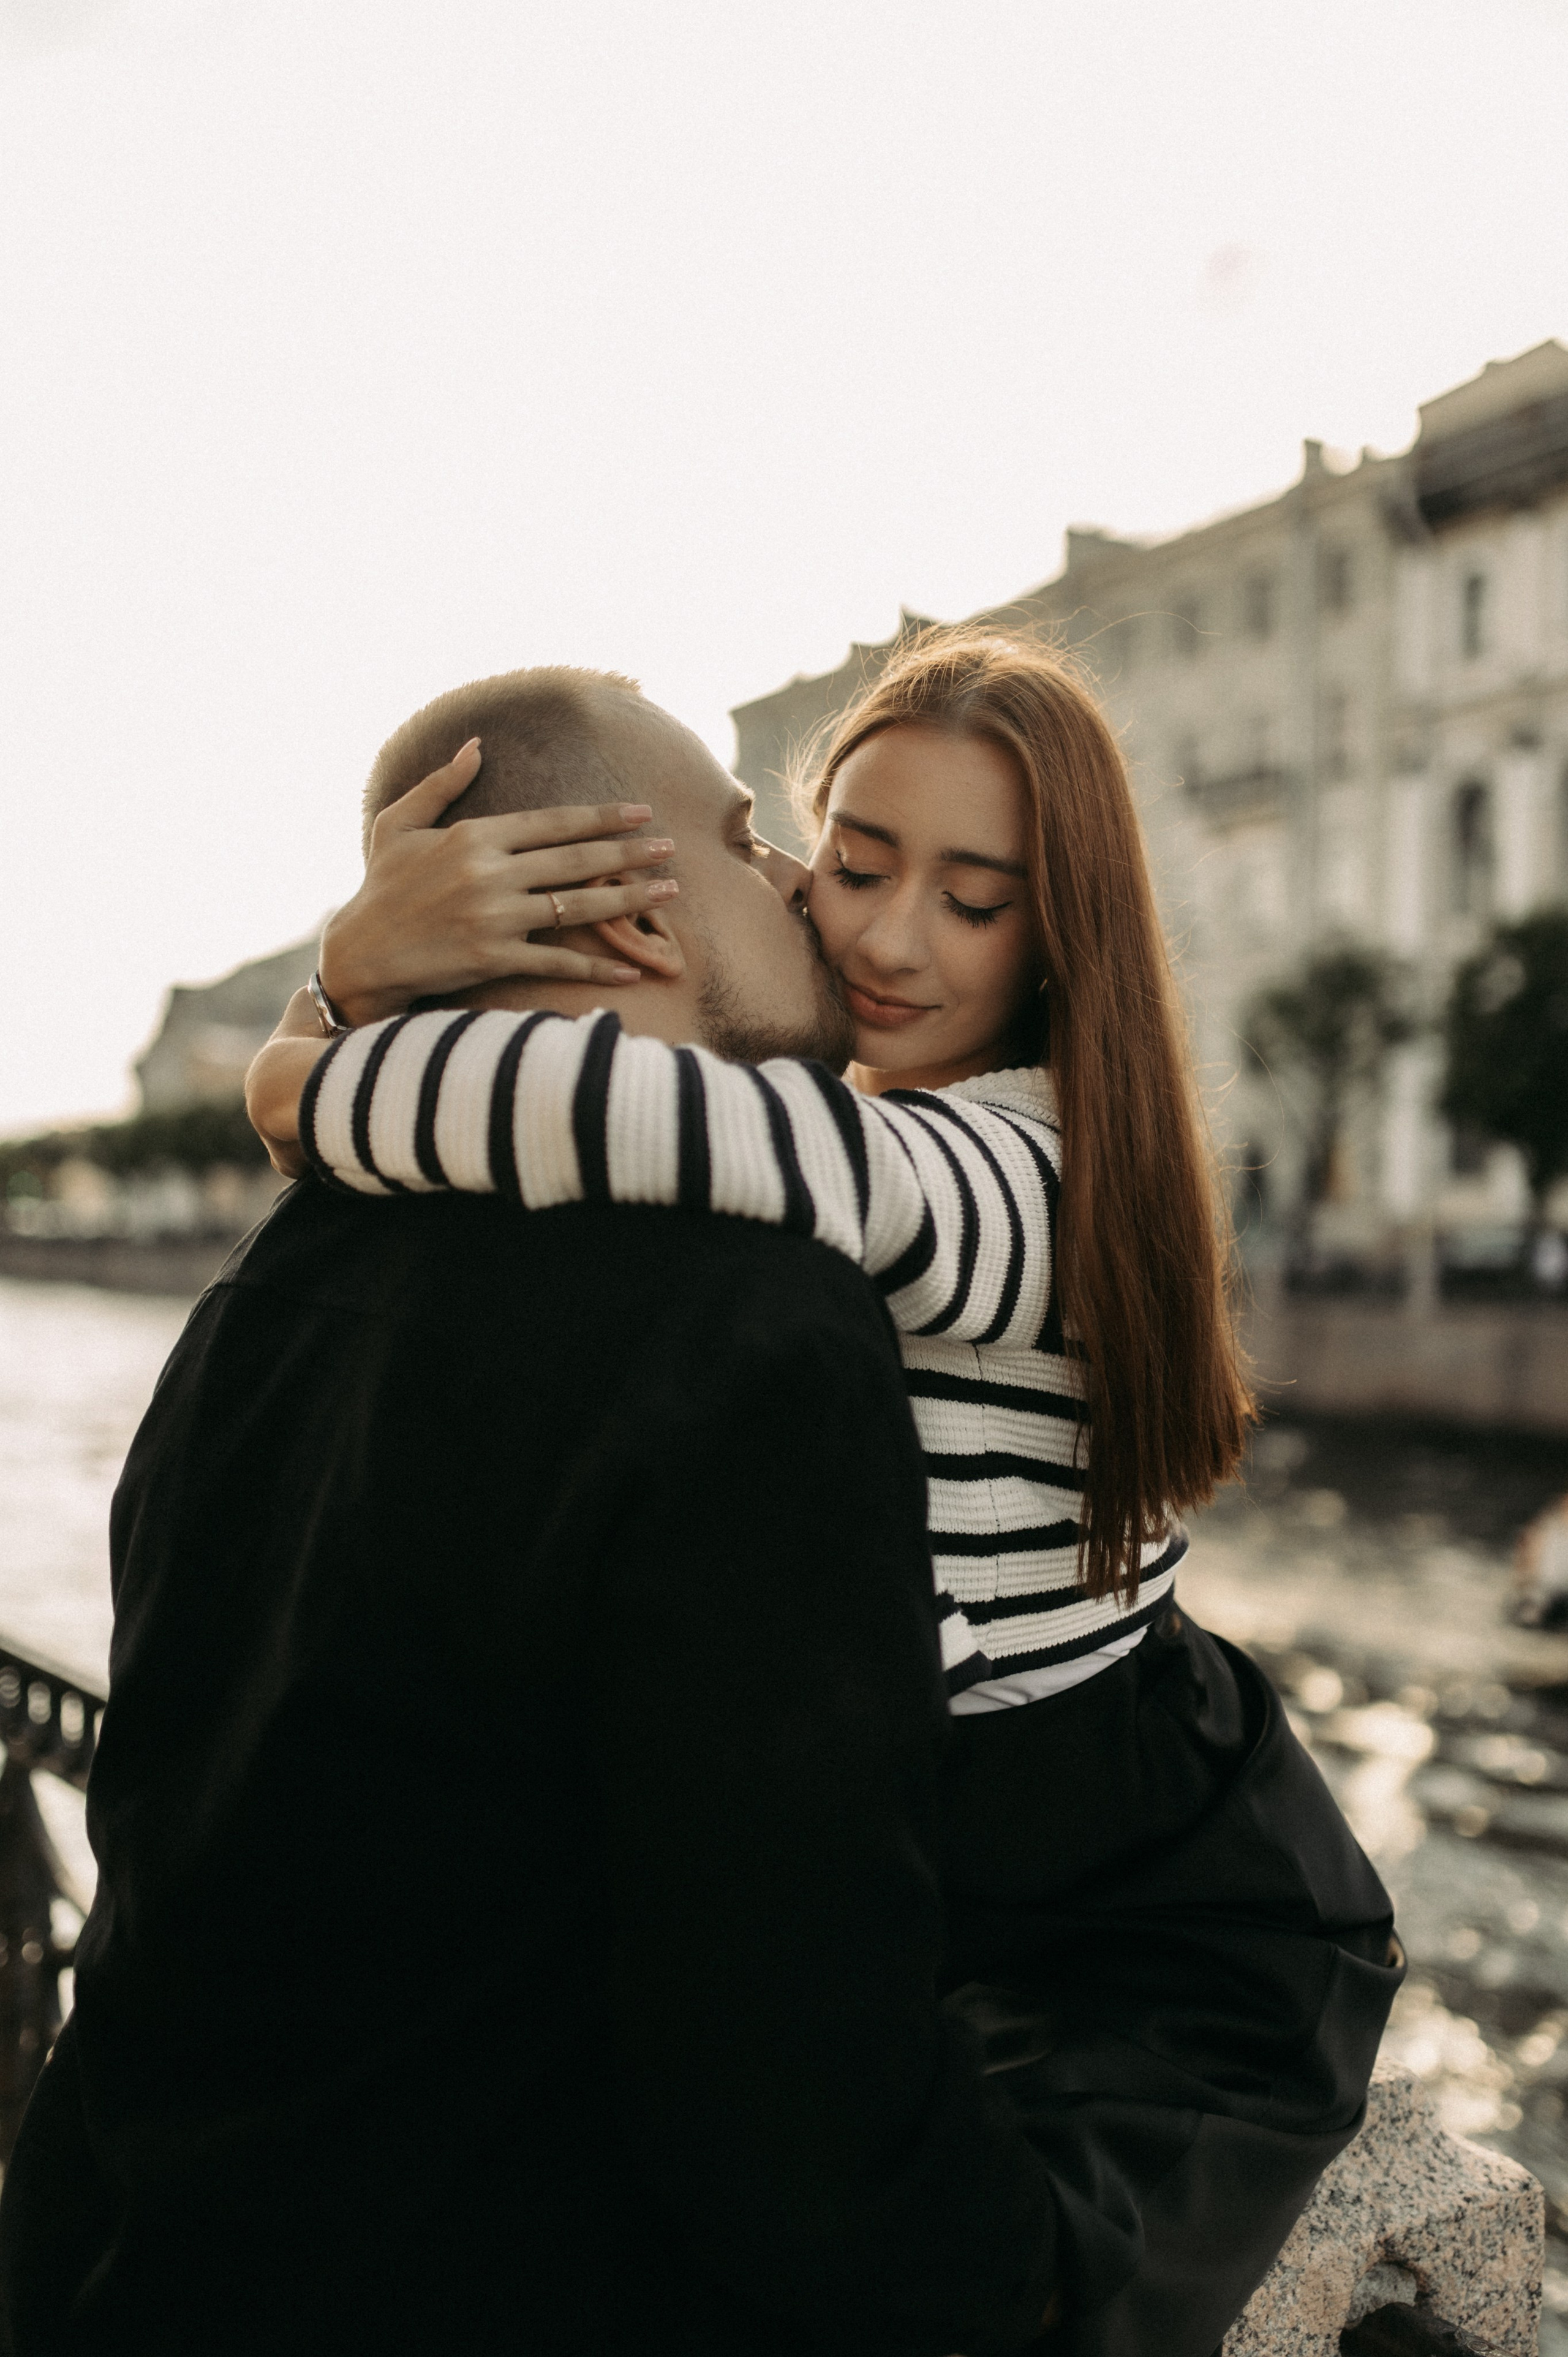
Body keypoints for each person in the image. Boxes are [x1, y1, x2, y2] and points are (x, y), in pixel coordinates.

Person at [248, 631, 1404, 2357]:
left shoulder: (1022, 1165)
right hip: (965, 1845)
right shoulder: (855, 1110)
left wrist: (314, 1046)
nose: (880, 935)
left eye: (972, 899)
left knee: (1016, 2302)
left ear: (1059, 936)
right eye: (854, 863)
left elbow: (633, 1112)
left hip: (1160, 1911)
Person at [0, 668, 1068, 2357]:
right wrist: (1035, 2266)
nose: (800, 882)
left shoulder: (275, 1279)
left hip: (131, 2264)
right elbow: (797, 2094)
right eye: (743, 840)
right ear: (630, 913)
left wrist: (335, 1001)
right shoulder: (754, 1332)